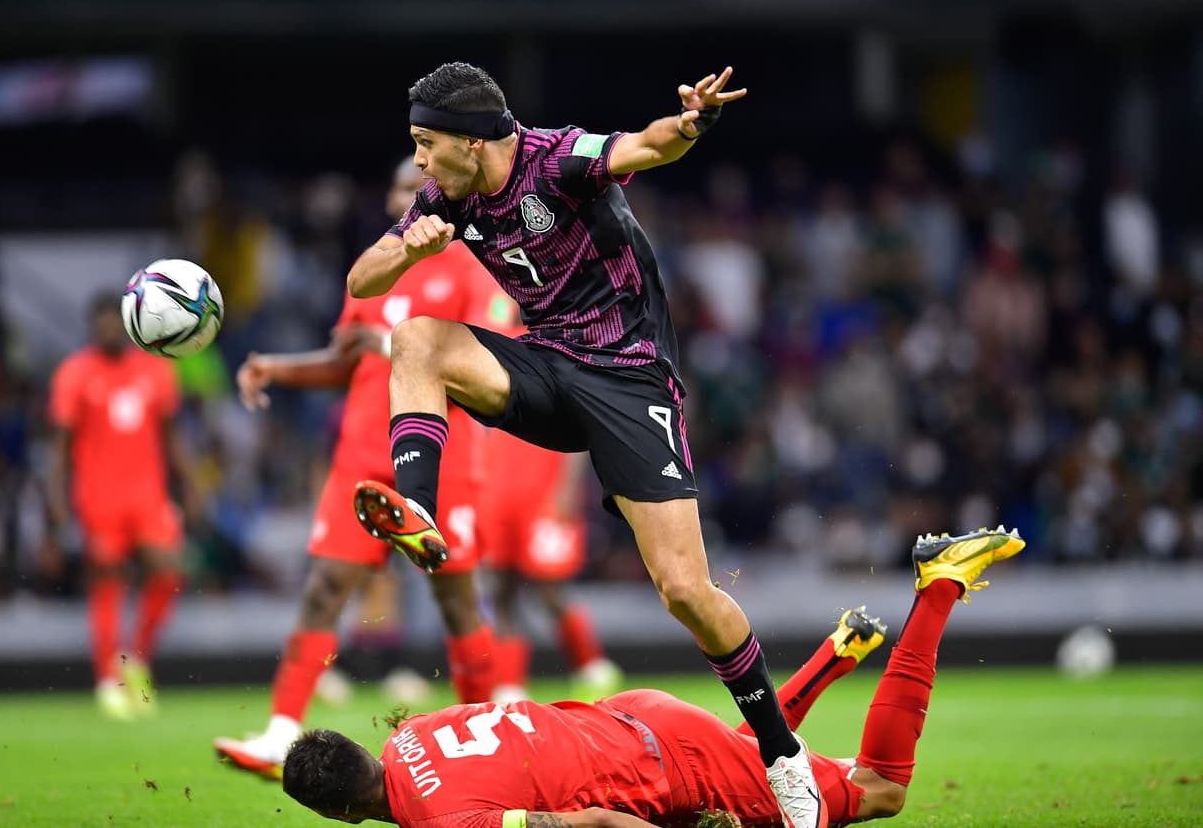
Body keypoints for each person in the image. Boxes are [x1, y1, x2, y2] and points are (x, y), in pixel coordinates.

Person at [344, 61, 825, 824]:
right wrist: (408, 250)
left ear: (472, 142)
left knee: (685, 591)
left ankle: (782, 754)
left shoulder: (557, 159)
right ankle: (420, 508)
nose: (421, 162)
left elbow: (646, 146)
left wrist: (695, 121)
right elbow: (362, 280)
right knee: (415, 338)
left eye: (427, 143)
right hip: (545, 368)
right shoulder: (444, 198)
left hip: (629, 381)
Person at [281, 527, 1025, 828]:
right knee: (745, 762)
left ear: (343, 817)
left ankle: (939, 583)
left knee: (879, 790)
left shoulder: (449, 824)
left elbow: (602, 826)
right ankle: (834, 654)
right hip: (634, 719)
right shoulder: (416, 730)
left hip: (663, 764)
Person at [213, 157, 511, 779]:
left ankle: (489, 743)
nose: (414, 198)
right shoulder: (374, 273)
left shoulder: (476, 269)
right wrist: (279, 367)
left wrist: (398, 346)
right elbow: (346, 359)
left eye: (424, 188)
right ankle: (280, 734)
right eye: (404, 188)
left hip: (442, 461)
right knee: (324, 589)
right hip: (362, 457)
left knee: (456, 603)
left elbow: (492, 362)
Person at [47, 293, 201, 720]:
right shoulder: (75, 373)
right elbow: (59, 447)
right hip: (98, 499)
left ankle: (136, 660)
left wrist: (189, 487)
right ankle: (106, 680)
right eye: (101, 324)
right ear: (91, 328)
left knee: (170, 571)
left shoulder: (156, 370)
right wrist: (56, 498)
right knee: (108, 583)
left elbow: (172, 439)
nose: (109, 330)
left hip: (148, 497)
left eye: (115, 322)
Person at [483, 410, 621, 703]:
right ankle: (510, 685)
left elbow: (580, 432)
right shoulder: (495, 364)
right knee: (501, 590)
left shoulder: (553, 366)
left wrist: (568, 487)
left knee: (548, 588)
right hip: (497, 491)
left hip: (542, 492)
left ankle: (591, 665)